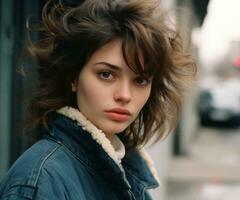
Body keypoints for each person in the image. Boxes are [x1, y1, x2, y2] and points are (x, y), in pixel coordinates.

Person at [0, 0, 196, 199]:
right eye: (106, 74)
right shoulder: (40, 181)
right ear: (73, 78)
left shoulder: (126, 172)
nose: (125, 95)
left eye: (140, 80)